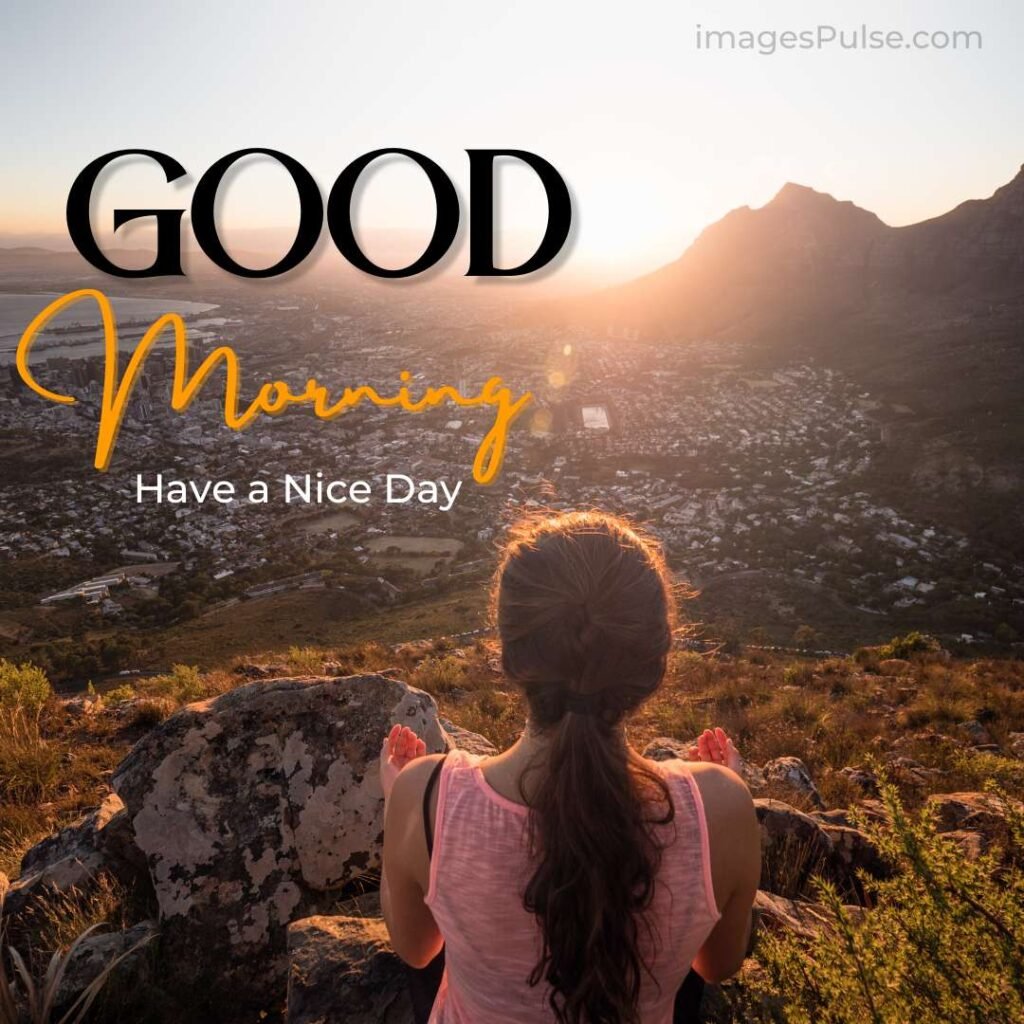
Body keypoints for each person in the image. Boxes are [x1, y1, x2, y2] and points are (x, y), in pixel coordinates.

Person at [379, 511, 760, 1024]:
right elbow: (717, 965)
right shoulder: (724, 806)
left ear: (510, 653)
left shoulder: (425, 793)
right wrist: (716, 798)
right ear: (655, 661)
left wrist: (405, 805)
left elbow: (416, 949)